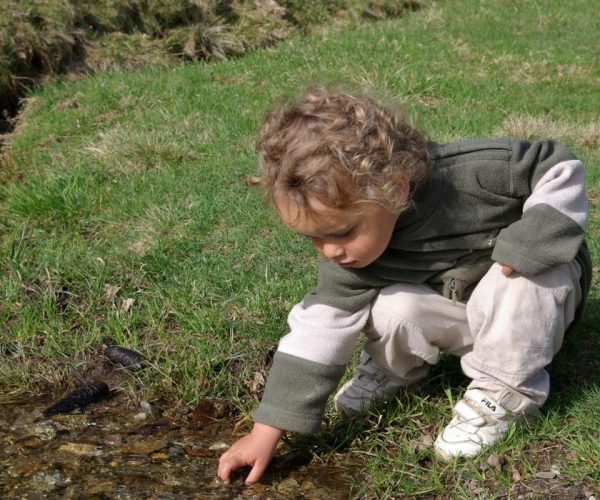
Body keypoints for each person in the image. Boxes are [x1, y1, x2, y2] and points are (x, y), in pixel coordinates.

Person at [217, 86, 591, 485]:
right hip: (467, 312)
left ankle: (504, 393)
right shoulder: (350, 260)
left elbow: (557, 165)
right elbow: (317, 331)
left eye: (342, 232)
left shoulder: (473, 175)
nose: (330, 251)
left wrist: (532, 241)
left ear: (394, 189)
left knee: (525, 277)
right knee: (393, 306)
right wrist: (265, 431)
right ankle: (395, 374)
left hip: (535, 310)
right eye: (313, 238)